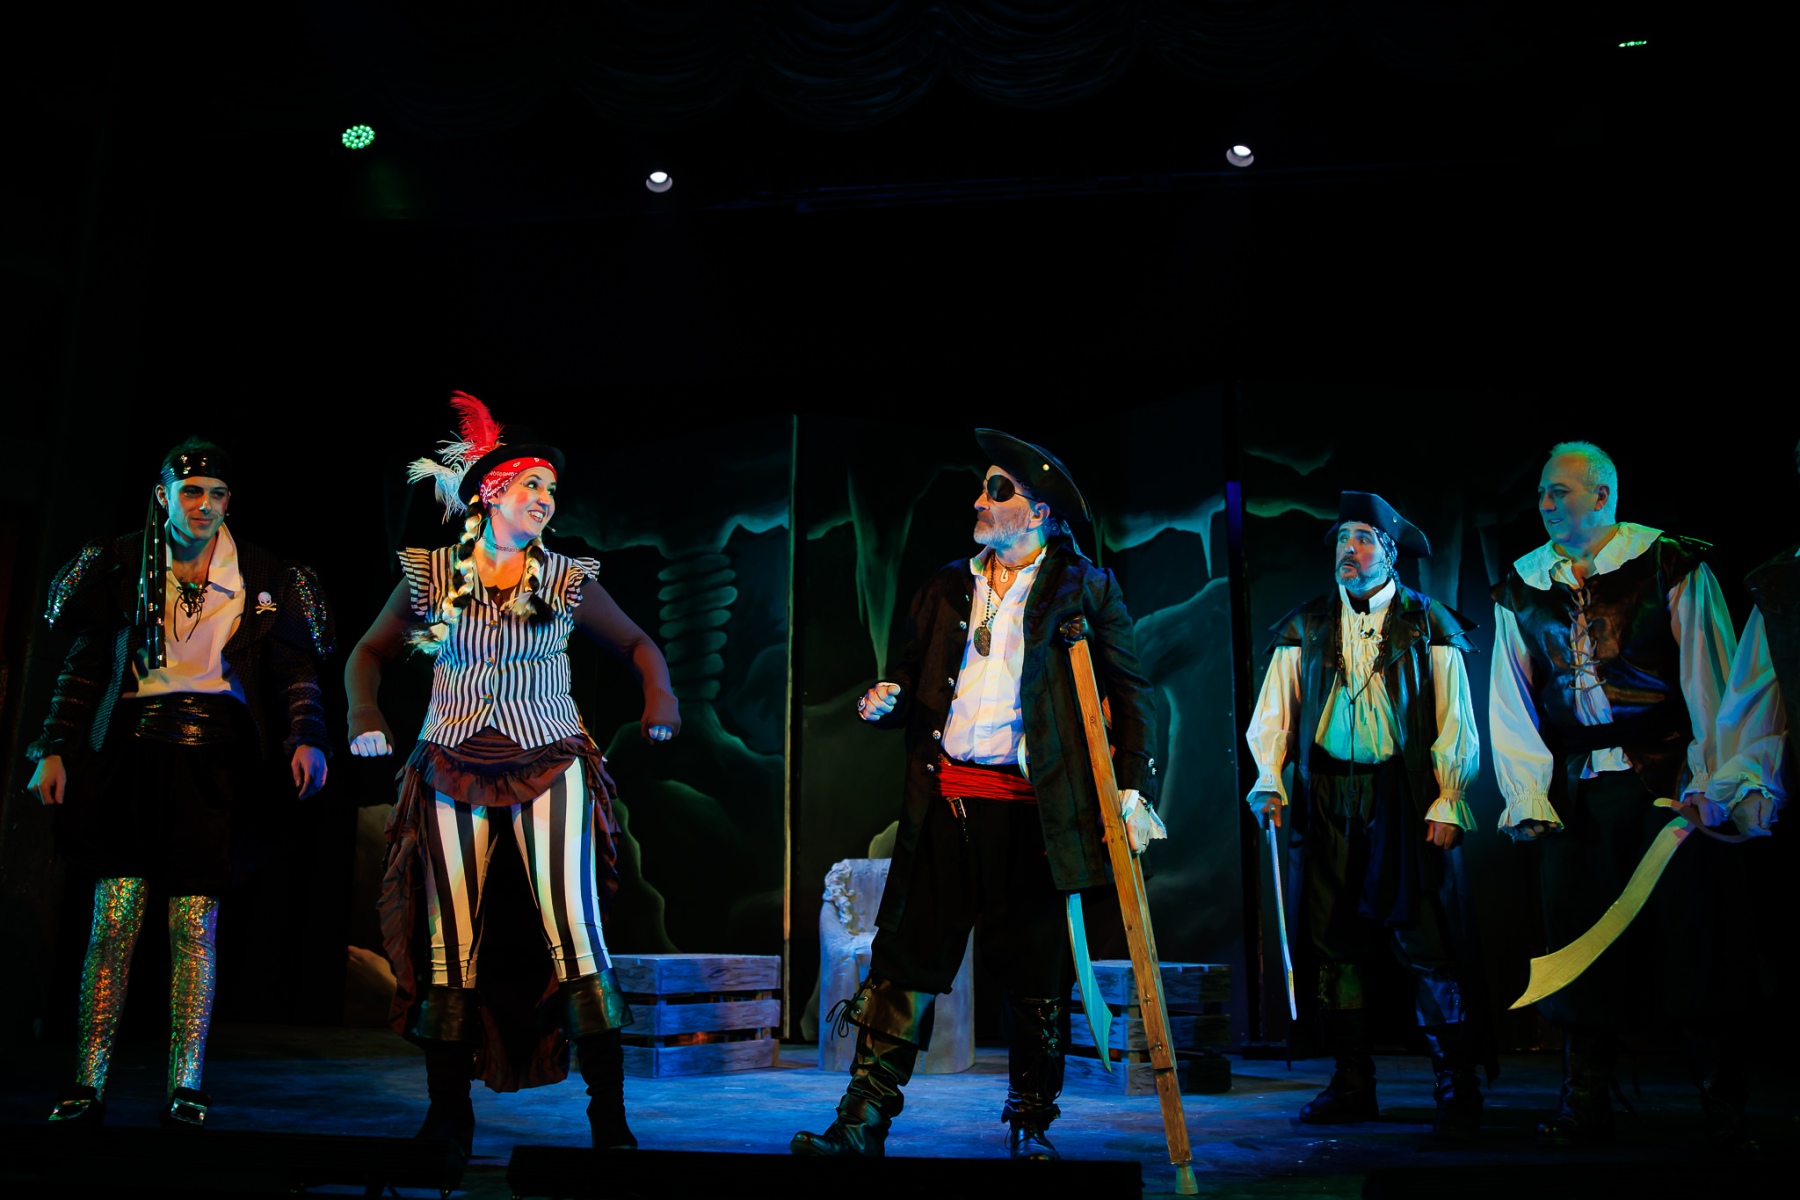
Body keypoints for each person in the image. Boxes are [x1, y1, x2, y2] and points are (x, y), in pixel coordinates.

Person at [791, 428, 1165, 1162]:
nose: (979, 501)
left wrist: (1132, 787)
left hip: (1033, 817)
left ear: (1040, 512)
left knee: (1034, 979)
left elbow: (1132, 695)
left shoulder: (1084, 589)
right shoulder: (946, 586)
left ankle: (1031, 1126)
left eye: (999, 491)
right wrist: (889, 698)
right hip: (945, 805)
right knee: (904, 964)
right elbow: (913, 676)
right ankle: (861, 1122)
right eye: (983, 487)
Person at [345, 392, 679, 1158]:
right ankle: (447, 1117)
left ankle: (608, 1119)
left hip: (549, 756)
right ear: (492, 492)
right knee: (449, 936)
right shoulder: (433, 574)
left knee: (575, 927)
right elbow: (368, 651)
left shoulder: (563, 577)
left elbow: (637, 644)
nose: (546, 499)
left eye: (552, 489)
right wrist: (365, 711)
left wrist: (659, 694)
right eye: (533, 484)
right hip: (450, 759)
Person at [25, 438, 334, 1129]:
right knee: (114, 921)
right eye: (191, 491)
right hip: (130, 755)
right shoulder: (121, 562)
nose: (204, 505)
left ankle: (186, 1085)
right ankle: (87, 1083)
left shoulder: (260, 572)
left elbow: (294, 669)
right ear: (162, 494)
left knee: (194, 925)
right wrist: (54, 747)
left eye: (217, 494)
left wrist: (307, 736)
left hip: (213, 761)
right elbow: (84, 664)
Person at [1488, 440, 1744, 1147]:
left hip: (1668, 783)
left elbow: (1712, 679)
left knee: (1693, 939)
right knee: (1580, 941)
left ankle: (1723, 1108)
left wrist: (1712, 780)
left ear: (1602, 496)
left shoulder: (1669, 565)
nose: (1546, 504)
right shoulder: (1522, 585)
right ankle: (1585, 1102)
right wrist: (1527, 794)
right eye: (1542, 492)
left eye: (1560, 491)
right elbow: (1512, 703)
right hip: (1578, 793)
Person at [1244, 492, 1485, 1137]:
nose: (1347, 550)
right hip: (1326, 795)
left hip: (1401, 795)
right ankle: (1351, 1081)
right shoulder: (1308, 623)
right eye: (1342, 538)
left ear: (1390, 552)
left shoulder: (1427, 623)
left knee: (1424, 939)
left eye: (1363, 538)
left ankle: (1456, 1082)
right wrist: (1270, 778)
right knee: (1332, 942)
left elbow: (1455, 717)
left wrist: (1450, 794)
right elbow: (1274, 712)